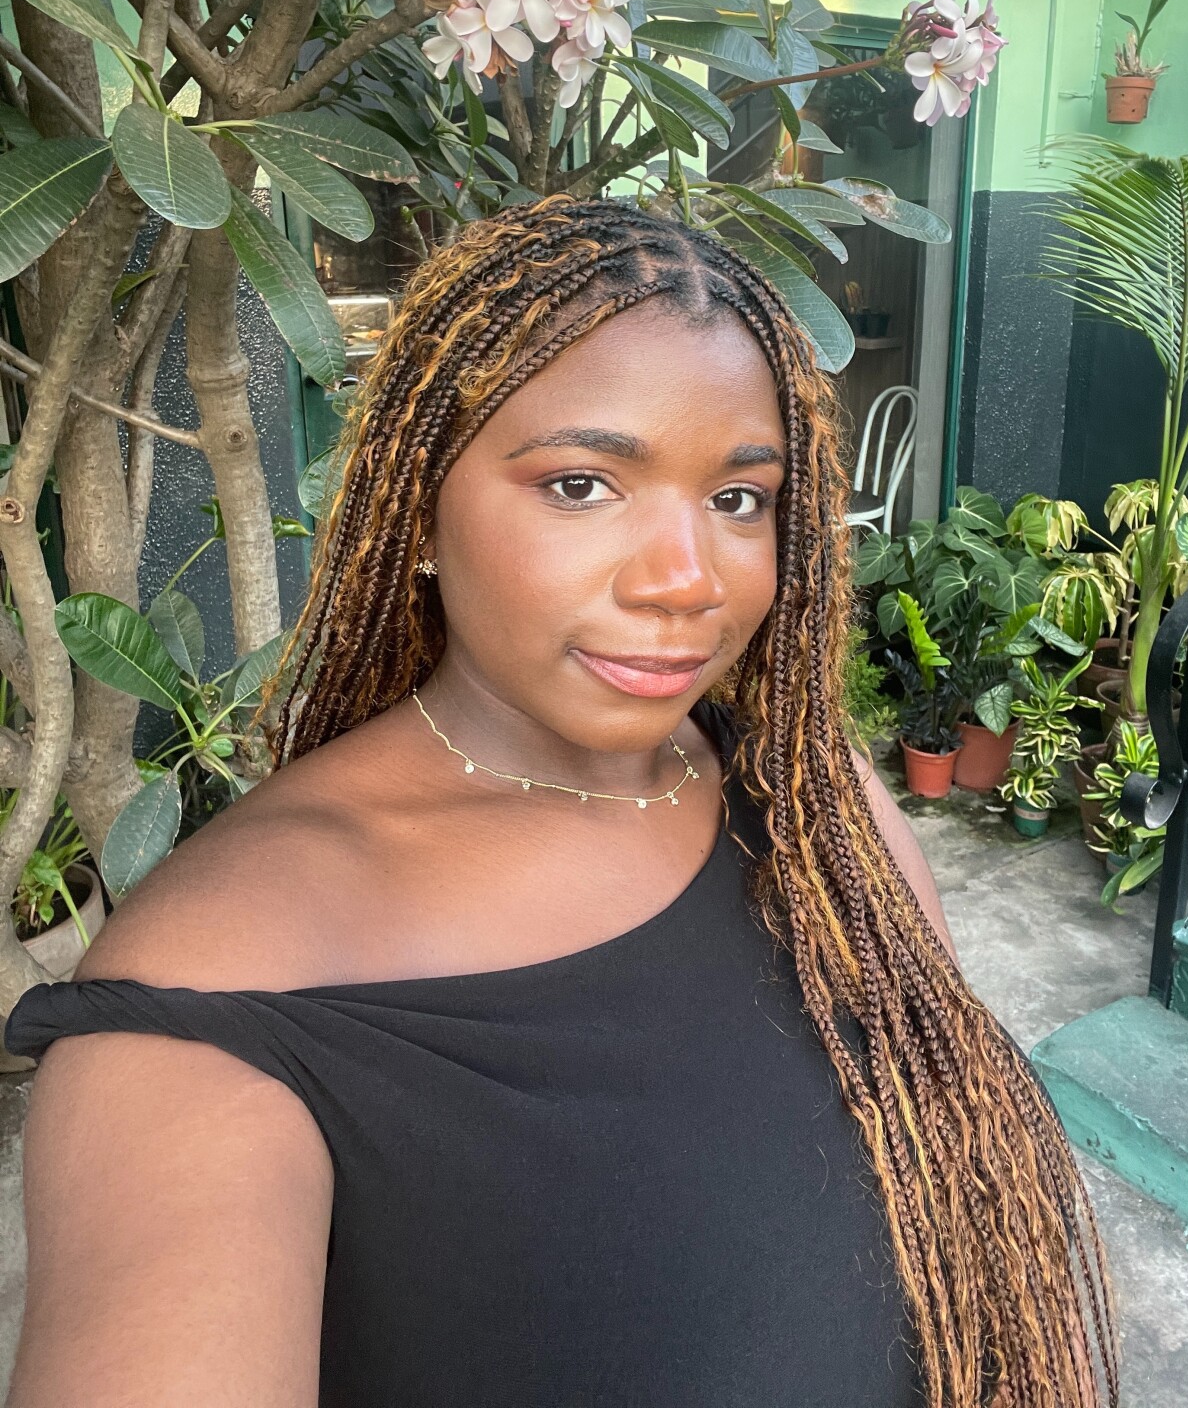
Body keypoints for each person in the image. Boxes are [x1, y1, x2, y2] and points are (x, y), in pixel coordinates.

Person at [3, 198, 1117, 1407]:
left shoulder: (813, 796)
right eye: (582, 484)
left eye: (739, 499)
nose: (686, 581)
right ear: (418, 503)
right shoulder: (215, 993)